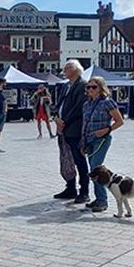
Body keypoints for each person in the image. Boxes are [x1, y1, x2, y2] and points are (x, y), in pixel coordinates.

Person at [82, 76, 124, 212]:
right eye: (88, 87)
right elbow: (85, 124)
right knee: (92, 170)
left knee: (96, 168)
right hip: (88, 140)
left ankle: (103, 201)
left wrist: (107, 129)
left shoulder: (107, 102)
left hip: (102, 139)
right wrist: (82, 142)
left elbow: (119, 121)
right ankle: (98, 198)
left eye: (94, 87)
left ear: (101, 88)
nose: (90, 90)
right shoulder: (86, 104)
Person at [54, 59, 89, 203]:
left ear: (75, 69)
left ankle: (84, 191)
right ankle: (70, 187)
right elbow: (59, 104)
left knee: (79, 159)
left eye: (67, 67)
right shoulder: (66, 86)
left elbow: (79, 107)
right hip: (63, 129)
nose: (64, 70)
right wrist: (56, 117)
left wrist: (65, 122)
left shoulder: (83, 85)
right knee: (66, 159)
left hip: (73, 129)